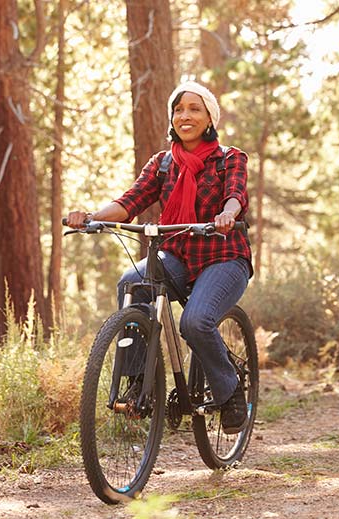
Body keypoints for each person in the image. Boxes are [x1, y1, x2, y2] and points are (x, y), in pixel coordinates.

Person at [66, 81, 252, 434]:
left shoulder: (230, 158)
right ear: (172, 117)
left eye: (195, 109)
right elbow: (128, 202)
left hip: (223, 256)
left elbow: (236, 195)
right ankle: (138, 382)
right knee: (131, 282)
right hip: (177, 254)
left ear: (209, 117)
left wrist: (228, 214)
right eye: (179, 109)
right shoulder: (162, 164)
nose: (186, 115)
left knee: (195, 323)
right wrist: (91, 216)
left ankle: (229, 391)